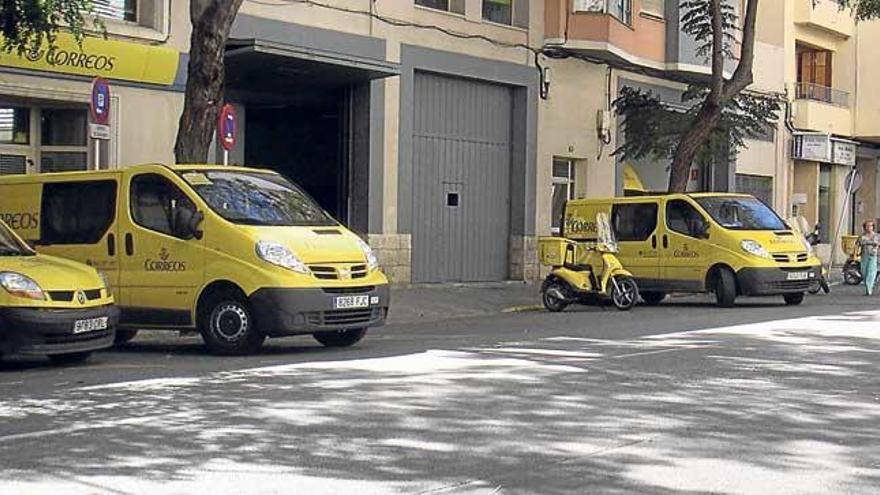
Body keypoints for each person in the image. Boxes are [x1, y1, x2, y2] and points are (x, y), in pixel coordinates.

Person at [857, 220, 880, 296]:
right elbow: (858, 244)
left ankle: (869, 288)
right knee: (864, 271)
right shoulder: (862, 236)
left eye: (871, 226)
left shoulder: (877, 236)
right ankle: (867, 285)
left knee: (871, 271)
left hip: (873, 255)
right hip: (864, 255)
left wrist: (875, 248)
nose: (869, 227)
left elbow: (877, 244)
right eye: (867, 226)